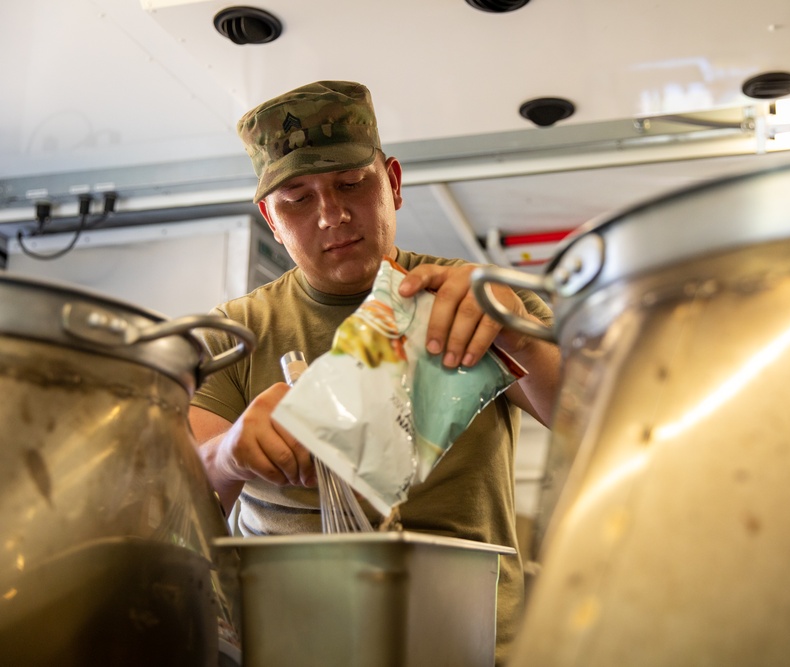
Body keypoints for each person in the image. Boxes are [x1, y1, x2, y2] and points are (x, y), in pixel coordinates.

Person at [188, 80, 561, 664]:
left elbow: (595, 418)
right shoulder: (231, 334)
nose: (332, 214)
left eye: (351, 185)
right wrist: (231, 452)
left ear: (392, 182)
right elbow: (178, 499)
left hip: (474, 642)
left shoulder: (476, 297)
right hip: (300, 641)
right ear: (270, 217)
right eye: (297, 199)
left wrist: (514, 332)